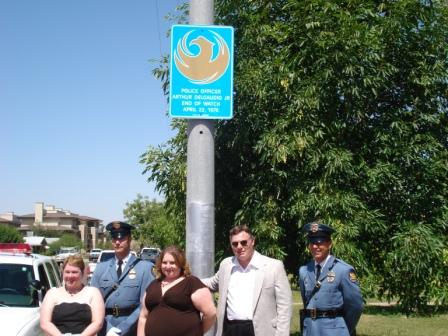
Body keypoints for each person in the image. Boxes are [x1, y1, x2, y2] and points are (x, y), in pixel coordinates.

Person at [202, 225, 292, 336]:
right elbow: (211, 283)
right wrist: (182, 280)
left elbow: (285, 307)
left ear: (252, 241)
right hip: (230, 329)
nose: (239, 247)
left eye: (244, 242)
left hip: (259, 330)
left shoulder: (274, 267)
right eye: (235, 244)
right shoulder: (226, 265)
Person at [298, 222, 363, 336]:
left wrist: (342, 328)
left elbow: (355, 306)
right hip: (310, 331)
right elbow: (307, 302)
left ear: (329, 244)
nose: (315, 246)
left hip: (334, 331)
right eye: (312, 242)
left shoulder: (343, 270)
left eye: (320, 242)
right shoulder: (304, 270)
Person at [91, 221, 154, 336]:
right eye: (114, 239)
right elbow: (92, 302)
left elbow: (145, 304)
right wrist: (108, 328)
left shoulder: (145, 268)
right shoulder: (101, 268)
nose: (117, 242)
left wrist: (123, 328)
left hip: (132, 329)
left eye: (122, 238)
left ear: (129, 239)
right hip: (105, 329)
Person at [137, 245, 216, 336]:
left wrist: (198, 331)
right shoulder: (153, 284)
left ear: (181, 263)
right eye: (164, 262)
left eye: (172, 263)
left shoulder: (191, 283)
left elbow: (210, 313)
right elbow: (143, 316)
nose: (168, 266)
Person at [40, 255, 105, 336]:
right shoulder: (52, 293)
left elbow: (98, 323)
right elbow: (45, 323)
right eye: (67, 272)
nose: (70, 276)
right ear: (62, 273)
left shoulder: (93, 292)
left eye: (74, 272)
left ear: (82, 273)